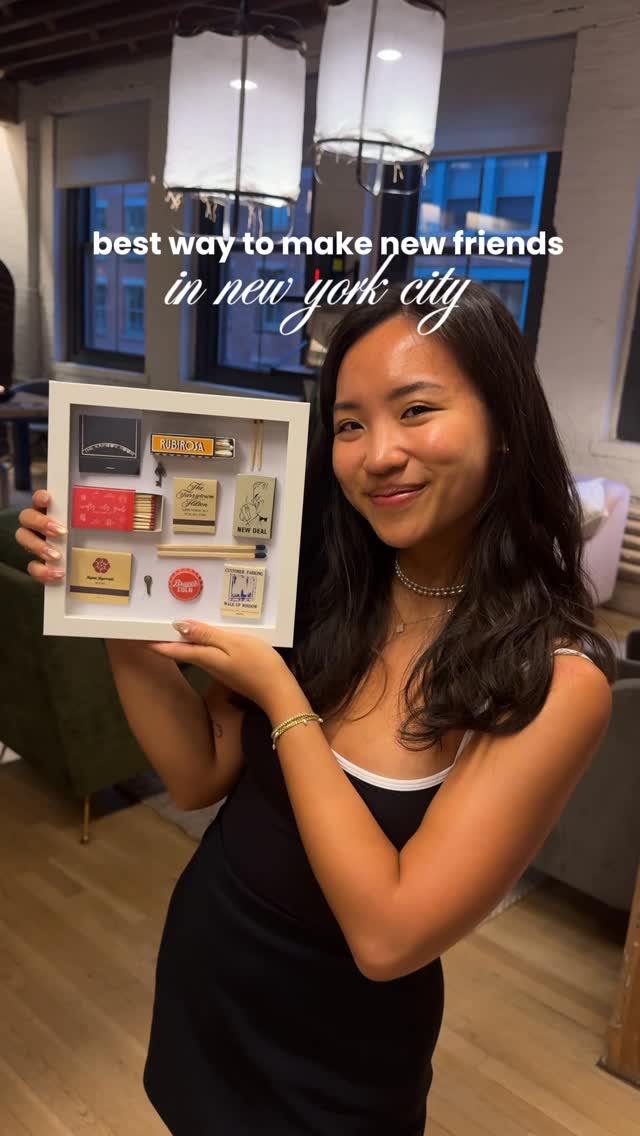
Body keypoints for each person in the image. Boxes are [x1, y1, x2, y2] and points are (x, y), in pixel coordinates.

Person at [16, 282, 615, 1136]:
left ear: (506, 423)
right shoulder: (326, 587)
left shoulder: (553, 677)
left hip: (333, 1061)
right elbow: (197, 775)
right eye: (349, 424)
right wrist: (106, 600)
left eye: (416, 410)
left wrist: (282, 699)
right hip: (206, 985)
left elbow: (390, 937)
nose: (378, 454)